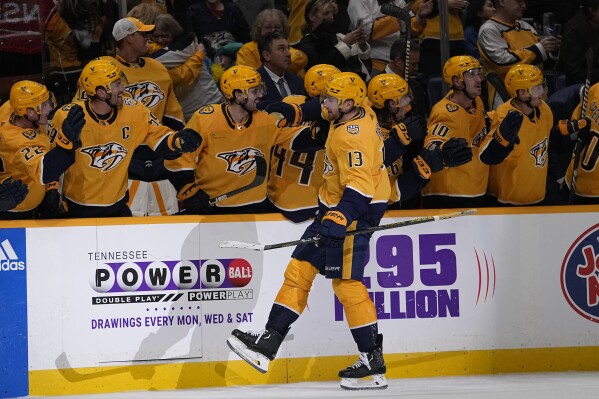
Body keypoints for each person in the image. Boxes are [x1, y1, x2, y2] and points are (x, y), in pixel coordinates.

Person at [227, 72, 391, 390]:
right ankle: (267, 345)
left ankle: (373, 362)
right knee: (299, 270)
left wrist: (341, 218)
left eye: (329, 99)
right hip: (335, 207)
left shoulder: (351, 137)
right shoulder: (360, 108)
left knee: (346, 284)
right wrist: (293, 112)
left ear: (346, 104)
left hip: (354, 210)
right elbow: (319, 110)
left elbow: (360, 186)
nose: (323, 103)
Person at [48, 57, 201, 218]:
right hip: (77, 209)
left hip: (118, 208)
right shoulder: (67, 116)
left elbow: (158, 136)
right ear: (101, 92)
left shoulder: (134, 110)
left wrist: (178, 142)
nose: (123, 88)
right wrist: (51, 191)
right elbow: (52, 159)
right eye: (117, 85)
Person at [164, 65, 310, 215]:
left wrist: (321, 130)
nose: (260, 95)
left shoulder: (266, 119)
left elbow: (297, 140)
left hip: (255, 208)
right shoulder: (206, 119)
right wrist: (191, 194)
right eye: (254, 91)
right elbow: (178, 161)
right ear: (238, 95)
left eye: (260, 89)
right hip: (213, 208)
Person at [112, 16, 186, 216]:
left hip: (157, 152)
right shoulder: (103, 71)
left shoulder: (158, 69)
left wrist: (175, 150)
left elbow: (173, 115)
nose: (149, 38)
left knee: (165, 215)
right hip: (120, 156)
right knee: (127, 221)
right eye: (143, 34)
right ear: (129, 37)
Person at [267, 63, 340, 222]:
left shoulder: (291, 101)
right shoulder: (293, 105)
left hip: (280, 195)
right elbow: (299, 143)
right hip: (304, 200)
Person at [478, 64, 557, 206]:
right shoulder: (505, 116)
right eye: (537, 87)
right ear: (522, 93)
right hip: (508, 200)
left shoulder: (545, 110)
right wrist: (501, 140)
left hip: (538, 196)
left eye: (542, 85)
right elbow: (486, 155)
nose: (542, 91)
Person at [0, 81, 79, 219]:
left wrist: (51, 189)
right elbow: (45, 171)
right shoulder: (19, 143)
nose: (49, 107)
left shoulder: (8, 109)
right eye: (44, 105)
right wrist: (65, 143)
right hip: (16, 212)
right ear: (30, 112)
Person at [422, 55, 489, 209]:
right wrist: (441, 152)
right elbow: (431, 146)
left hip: (473, 188)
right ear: (457, 81)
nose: (478, 79)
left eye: (479, 73)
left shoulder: (476, 101)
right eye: (471, 74)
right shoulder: (444, 112)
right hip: (450, 196)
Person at [478, 0, 560, 108]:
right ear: (502, 2)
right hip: (507, 100)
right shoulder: (489, 30)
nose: (524, 5)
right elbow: (503, 63)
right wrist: (539, 49)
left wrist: (552, 50)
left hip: (537, 97)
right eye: (518, 1)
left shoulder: (527, 27)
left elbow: (541, 63)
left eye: (525, 2)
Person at [150, 13, 224, 120]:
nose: (160, 40)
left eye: (164, 36)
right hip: (192, 111)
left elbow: (151, 61)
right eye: (156, 36)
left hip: (208, 105)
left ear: (174, 33)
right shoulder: (167, 47)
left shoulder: (184, 47)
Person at [44, 0, 103, 105]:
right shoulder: (71, 20)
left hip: (61, 72)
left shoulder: (57, 20)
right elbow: (86, 44)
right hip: (71, 71)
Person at [298, 0, 372, 80]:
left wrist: (362, 45)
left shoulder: (340, 37)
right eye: (326, 13)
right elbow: (322, 69)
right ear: (311, 16)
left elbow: (366, 67)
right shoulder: (306, 43)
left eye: (332, 14)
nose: (331, 17)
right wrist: (345, 44)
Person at [236, 8, 308, 75]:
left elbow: (301, 59)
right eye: (268, 27)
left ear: (284, 29)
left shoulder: (288, 49)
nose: (273, 31)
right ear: (259, 29)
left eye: (277, 27)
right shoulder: (248, 50)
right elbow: (248, 76)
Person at [561, 81, 599, 204]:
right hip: (574, 179)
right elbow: (573, 131)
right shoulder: (596, 90)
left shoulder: (596, 89)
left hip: (585, 187)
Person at [411, 0, 467, 78]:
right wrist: (444, 4)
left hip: (457, 38)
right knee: (433, 79)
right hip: (432, 39)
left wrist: (460, 4)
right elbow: (418, 6)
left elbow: (464, 3)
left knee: (457, 78)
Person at [556, 0, 599, 87]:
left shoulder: (594, 24)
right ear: (592, 11)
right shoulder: (575, 32)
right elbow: (575, 73)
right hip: (583, 90)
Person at [258, 31, 307, 102]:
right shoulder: (255, 84)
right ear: (266, 55)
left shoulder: (298, 82)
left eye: (288, 48)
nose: (288, 54)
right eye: (281, 49)